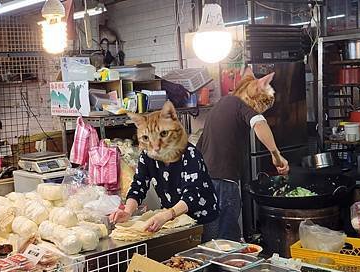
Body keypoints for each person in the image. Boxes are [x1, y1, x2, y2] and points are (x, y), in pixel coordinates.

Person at [197, 68, 289, 242]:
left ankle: (211, 269)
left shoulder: (220, 105)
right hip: (225, 182)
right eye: (265, 103)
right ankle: (228, 268)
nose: (263, 109)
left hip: (206, 181)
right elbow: (260, 123)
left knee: (209, 237)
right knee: (228, 237)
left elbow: (199, 147)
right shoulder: (239, 105)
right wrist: (276, 156)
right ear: (254, 92)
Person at [110, 101, 219, 231]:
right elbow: (138, 186)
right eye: (146, 138)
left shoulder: (190, 154)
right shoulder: (147, 156)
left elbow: (192, 196)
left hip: (202, 219)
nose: (155, 146)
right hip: (173, 220)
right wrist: (127, 212)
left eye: (163, 134)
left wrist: (166, 216)